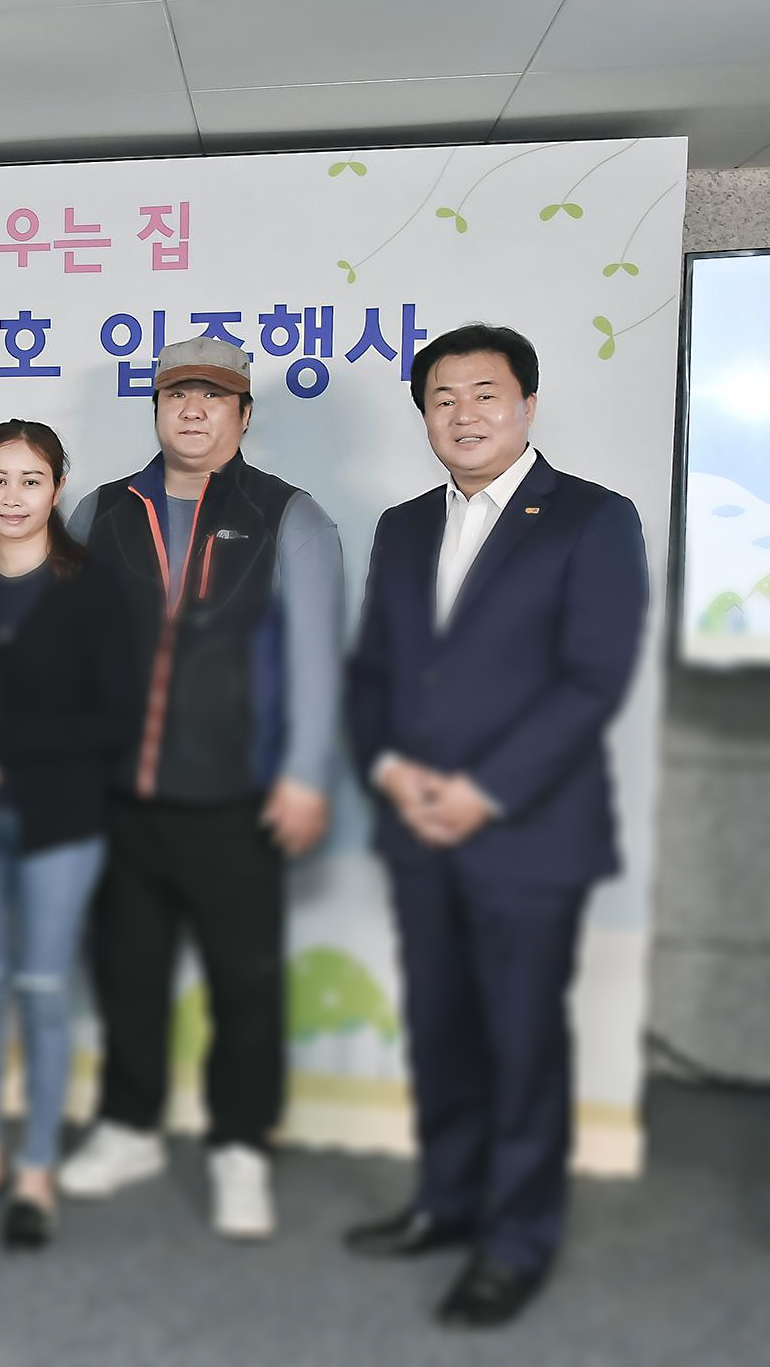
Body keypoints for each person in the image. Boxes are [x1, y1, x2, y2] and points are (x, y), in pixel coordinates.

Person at [344, 324, 647, 1329]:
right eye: (442, 397)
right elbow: (374, 672)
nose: (462, 413)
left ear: (526, 404)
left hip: (528, 832)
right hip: (416, 828)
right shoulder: (401, 527)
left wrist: (481, 792)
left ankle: (515, 1241)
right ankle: (447, 1201)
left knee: (520, 1041)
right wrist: (389, 772)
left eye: (483, 393)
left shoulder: (590, 518)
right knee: (439, 1029)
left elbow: (592, 679)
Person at [59, 336, 344, 1242]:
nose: (193, 410)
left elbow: (315, 663)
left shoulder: (290, 517)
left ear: (244, 414)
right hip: (119, 796)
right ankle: (129, 1127)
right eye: (177, 394)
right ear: (155, 409)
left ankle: (239, 1148)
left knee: (243, 984)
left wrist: (305, 776)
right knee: (127, 973)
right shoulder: (103, 511)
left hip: (235, 798)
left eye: (214, 397)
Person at [0, 421, 129, 1251]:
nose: (12, 498)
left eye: (31, 481)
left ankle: (36, 1170)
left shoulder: (95, 587)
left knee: (43, 992)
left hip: (61, 821)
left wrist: (0, 754)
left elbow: (114, 719)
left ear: (57, 488)